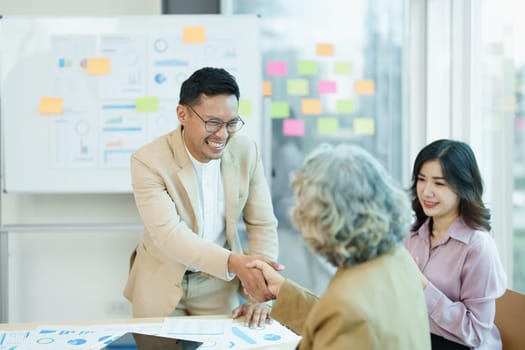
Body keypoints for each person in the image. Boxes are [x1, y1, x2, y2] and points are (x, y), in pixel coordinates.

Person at [233, 143, 431, 349]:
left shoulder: (347, 308)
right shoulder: (398, 261)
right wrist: (282, 291)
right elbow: (332, 322)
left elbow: (341, 319)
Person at [123, 67, 280, 323]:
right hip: (161, 280)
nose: (222, 134)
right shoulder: (148, 160)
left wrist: (263, 292)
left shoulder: (246, 151)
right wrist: (236, 263)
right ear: (182, 114)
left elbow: (261, 222)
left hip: (218, 284)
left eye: (231, 124)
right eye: (213, 123)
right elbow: (169, 236)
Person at [404, 139, 507, 349]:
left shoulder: (478, 246)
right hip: (418, 338)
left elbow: (475, 333)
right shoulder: (412, 234)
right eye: (422, 180)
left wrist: (423, 286)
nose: (426, 191)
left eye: (439, 183)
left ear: (462, 187)